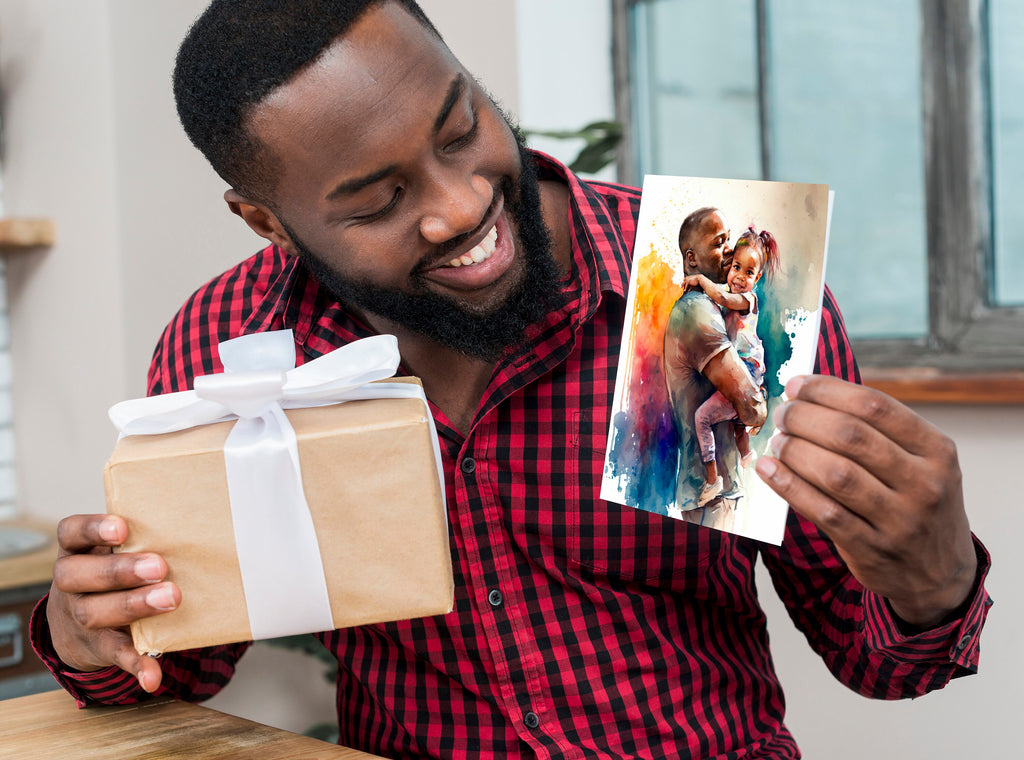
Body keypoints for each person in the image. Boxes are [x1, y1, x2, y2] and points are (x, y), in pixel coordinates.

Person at [32, 1, 991, 758]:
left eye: (460, 131)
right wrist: (92, 634)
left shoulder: (715, 289)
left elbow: (880, 660)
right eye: (378, 200)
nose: (458, 208)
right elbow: (181, 668)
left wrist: (933, 575)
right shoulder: (234, 345)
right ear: (267, 222)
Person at [663, 207, 768, 512]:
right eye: (719, 242)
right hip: (707, 500)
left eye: (729, 241)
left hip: (717, 494)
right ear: (692, 258)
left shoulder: (715, 304)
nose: (728, 250)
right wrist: (759, 407)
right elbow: (750, 405)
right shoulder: (697, 310)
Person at [684, 226, 779, 506]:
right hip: (743, 369)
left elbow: (724, 299)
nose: (739, 276)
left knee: (702, 418)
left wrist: (700, 279)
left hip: (748, 370)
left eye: (748, 273)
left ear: (757, 278)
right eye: (736, 267)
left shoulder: (747, 300)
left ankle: (713, 482)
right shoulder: (726, 290)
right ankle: (746, 462)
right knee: (736, 425)